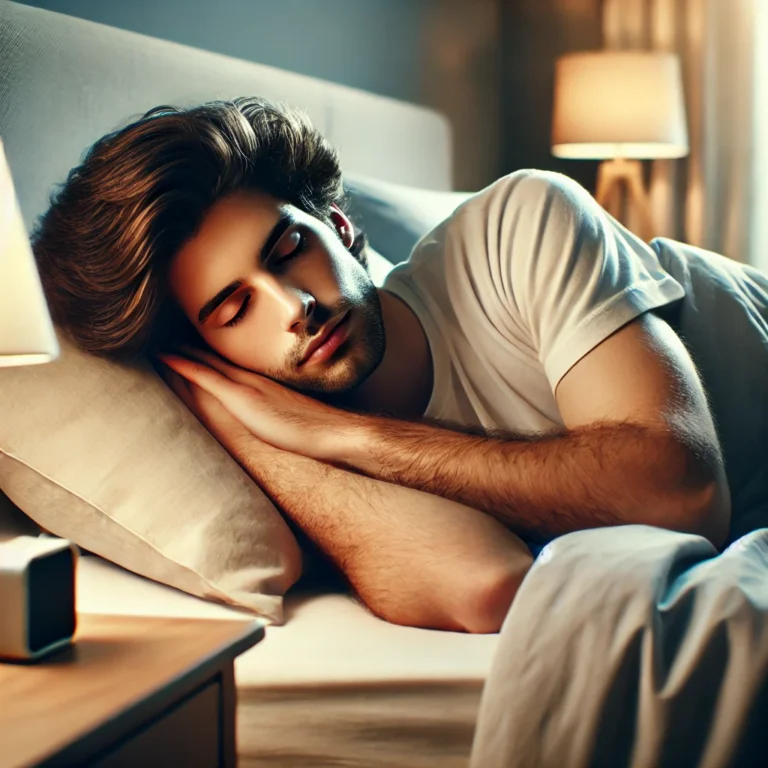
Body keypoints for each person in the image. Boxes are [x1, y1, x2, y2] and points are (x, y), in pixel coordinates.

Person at [31, 97, 767, 632]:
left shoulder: (522, 221)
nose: (293, 308)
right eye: (233, 309)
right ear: (203, 353)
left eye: (288, 250)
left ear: (342, 227)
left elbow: (681, 494)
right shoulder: (263, 406)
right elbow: (487, 586)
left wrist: (353, 438)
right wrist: (234, 419)